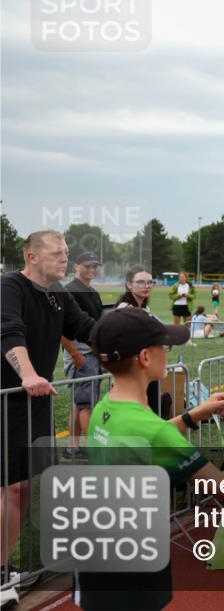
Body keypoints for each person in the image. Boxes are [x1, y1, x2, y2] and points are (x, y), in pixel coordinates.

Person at [76, 307, 224, 610]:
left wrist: (193, 415)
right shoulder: (151, 429)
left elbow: (148, 438)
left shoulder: (106, 407)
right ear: (145, 357)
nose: (168, 354)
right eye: (163, 347)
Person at [1, 231, 98, 606]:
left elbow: (89, 328)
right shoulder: (10, 287)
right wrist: (26, 374)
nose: (64, 259)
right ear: (32, 256)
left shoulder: (59, 295)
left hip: (36, 402)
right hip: (8, 399)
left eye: (66, 253)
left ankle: (5, 565)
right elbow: (9, 332)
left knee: (24, 486)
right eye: (57, 254)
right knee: (11, 487)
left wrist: (132, 337)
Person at [59, 252, 105, 460]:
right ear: (76, 266)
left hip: (90, 353)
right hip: (82, 355)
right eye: (88, 266)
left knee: (80, 403)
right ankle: (93, 451)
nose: (92, 269)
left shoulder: (91, 291)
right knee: (88, 404)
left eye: (95, 266)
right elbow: (59, 329)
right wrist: (76, 354)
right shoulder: (69, 290)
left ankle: (72, 447)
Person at [115, 266, 164, 414]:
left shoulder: (145, 308)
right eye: (141, 282)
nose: (147, 286)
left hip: (146, 365)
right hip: (132, 367)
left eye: (150, 282)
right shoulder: (125, 307)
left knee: (150, 406)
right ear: (129, 284)